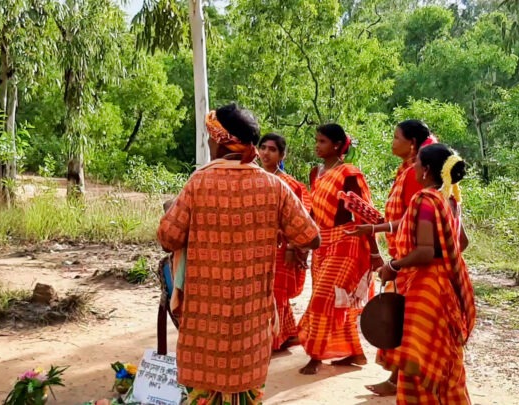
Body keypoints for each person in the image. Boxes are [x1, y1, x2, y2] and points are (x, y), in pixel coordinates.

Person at [157, 104, 321, 404]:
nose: (209, 143)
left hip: (205, 318)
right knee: (245, 389)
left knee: (204, 388)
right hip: (251, 317)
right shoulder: (274, 186)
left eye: (210, 137)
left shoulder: (198, 183)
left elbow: (168, 238)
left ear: (221, 141)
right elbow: (311, 237)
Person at [375, 143, 476, 404]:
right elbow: (461, 243)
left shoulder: (424, 199)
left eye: (417, 163)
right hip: (446, 289)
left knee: (418, 361)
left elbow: (424, 252)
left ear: (427, 169)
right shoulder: (451, 199)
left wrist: (393, 266)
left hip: (426, 291)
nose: (414, 167)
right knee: (445, 360)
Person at [346, 120, 436, 396]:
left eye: (396, 138)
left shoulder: (415, 176)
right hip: (404, 255)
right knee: (402, 320)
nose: (392, 142)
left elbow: (414, 223)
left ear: (412, 144)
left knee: (404, 321)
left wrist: (393, 256)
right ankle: (398, 379)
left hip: (411, 258)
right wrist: (376, 224)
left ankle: (407, 381)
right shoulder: (407, 172)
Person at [297, 123, 383, 375]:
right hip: (322, 244)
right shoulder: (317, 172)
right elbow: (313, 211)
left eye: (322, 141)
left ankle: (315, 354)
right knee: (336, 301)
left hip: (348, 242)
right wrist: (304, 243)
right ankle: (354, 352)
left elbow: (363, 212)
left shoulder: (349, 174)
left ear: (336, 145)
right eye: (317, 140)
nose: (317, 145)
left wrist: (375, 253)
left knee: (322, 300)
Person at [258, 132, 313, 352]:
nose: (266, 153)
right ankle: (287, 332)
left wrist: (292, 247)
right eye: (263, 148)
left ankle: (274, 339)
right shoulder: (256, 179)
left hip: (281, 248)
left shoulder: (291, 184)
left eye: (272, 149)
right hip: (259, 247)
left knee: (276, 291)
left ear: (282, 154)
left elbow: (300, 219)